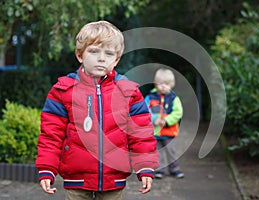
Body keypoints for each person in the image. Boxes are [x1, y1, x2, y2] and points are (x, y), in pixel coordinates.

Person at [36, 20, 159, 200]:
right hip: (76, 179)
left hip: (113, 179)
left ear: (116, 60)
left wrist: (145, 166)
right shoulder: (62, 90)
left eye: (109, 53)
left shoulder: (129, 91)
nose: (101, 58)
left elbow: (141, 134)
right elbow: (51, 135)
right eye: (94, 51)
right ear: (80, 55)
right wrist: (47, 168)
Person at [144, 68, 184, 179]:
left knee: (172, 151)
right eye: (160, 83)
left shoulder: (173, 98)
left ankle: (174, 169)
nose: (163, 86)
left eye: (166, 84)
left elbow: (178, 112)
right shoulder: (150, 97)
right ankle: (159, 170)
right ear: (156, 84)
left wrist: (167, 121)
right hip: (155, 132)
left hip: (169, 131)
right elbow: (145, 110)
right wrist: (154, 119)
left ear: (171, 85)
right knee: (157, 152)